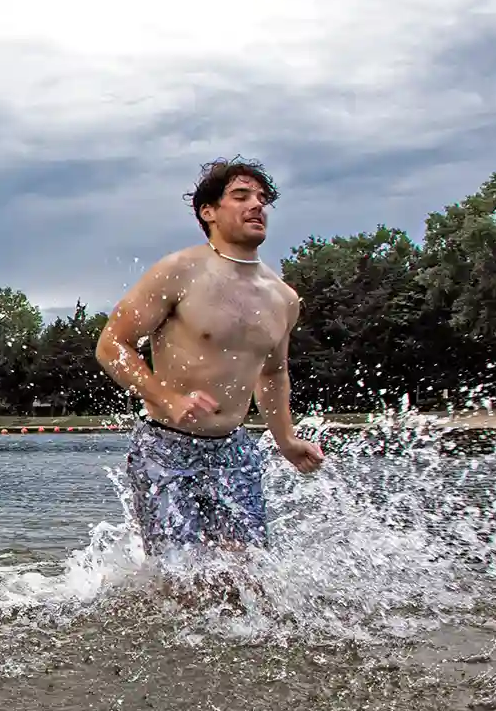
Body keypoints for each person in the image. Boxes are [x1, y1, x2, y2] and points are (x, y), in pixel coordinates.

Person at [94, 159, 325, 573]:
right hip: (165, 447)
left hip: (234, 450)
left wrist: (287, 441)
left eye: (261, 198)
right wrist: (165, 397)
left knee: (248, 579)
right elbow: (112, 344)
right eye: (241, 196)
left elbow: (272, 373)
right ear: (209, 211)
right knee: (180, 582)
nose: (256, 205)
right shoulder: (178, 271)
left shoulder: (283, 297)